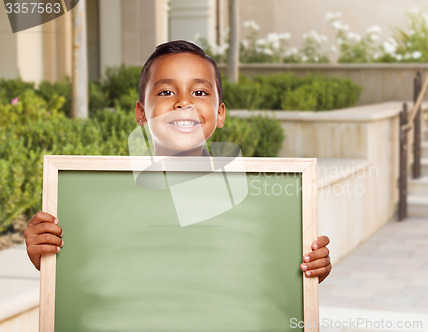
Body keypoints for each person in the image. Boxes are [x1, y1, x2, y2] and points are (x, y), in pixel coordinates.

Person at [24, 40, 332, 283]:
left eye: (199, 91)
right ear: (141, 113)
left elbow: (270, 275)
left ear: (220, 113)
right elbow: (90, 276)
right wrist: (48, 258)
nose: (183, 102)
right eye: (166, 91)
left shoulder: (258, 196)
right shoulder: (98, 197)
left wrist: (309, 269)